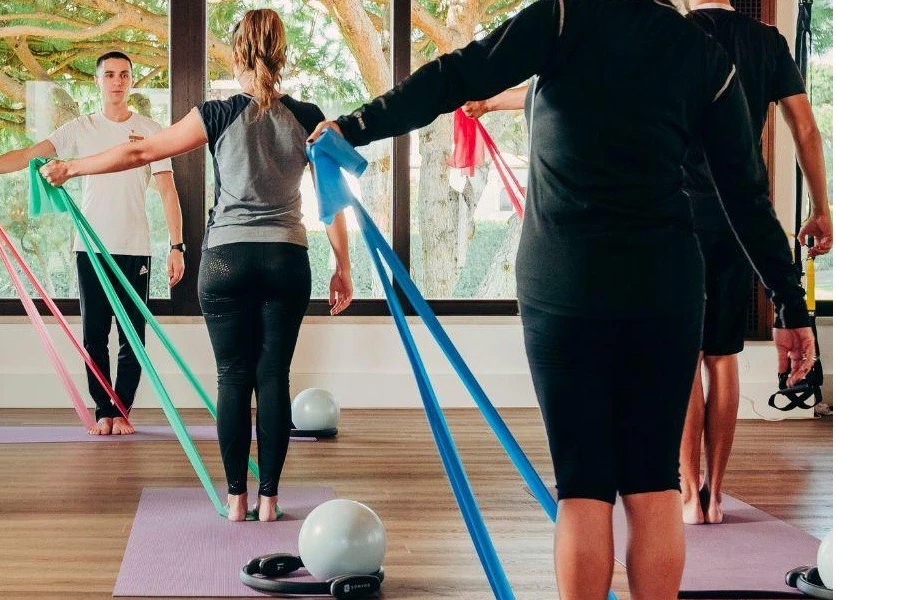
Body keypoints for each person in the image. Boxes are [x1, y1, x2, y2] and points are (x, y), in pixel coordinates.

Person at [307, 0, 816, 597]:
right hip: (663, 289)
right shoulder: (703, 55)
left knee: (583, 486)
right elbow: (747, 197)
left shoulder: (562, 18)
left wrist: (353, 125)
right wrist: (791, 309)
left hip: (566, 287)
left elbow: (453, 77)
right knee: (653, 484)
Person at [465, 0, 835, 526]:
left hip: (674, 220)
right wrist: (821, 208)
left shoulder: (671, 36)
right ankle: (717, 494)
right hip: (739, 222)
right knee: (723, 357)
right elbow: (806, 130)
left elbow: (579, 85)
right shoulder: (767, 42)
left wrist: (494, 101)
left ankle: (686, 492)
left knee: (679, 366)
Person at [41, 8, 354, 522]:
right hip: (285, 257)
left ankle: (236, 500)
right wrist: (342, 266)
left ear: (237, 55)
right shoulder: (309, 115)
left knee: (233, 376)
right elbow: (333, 199)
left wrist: (74, 166)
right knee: (273, 375)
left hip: (226, 259)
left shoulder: (216, 112)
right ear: (282, 54)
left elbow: (137, 154)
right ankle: (270, 500)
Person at [0, 51, 185, 436]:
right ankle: (103, 409)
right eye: (109, 75)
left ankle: (123, 410)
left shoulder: (151, 130)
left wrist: (177, 246)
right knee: (94, 334)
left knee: (131, 336)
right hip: (89, 247)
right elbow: (27, 156)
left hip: (135, 247)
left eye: (124, 74)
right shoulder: (80, 128)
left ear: (132, 80)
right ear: (97, 81)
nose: (117, 82)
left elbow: (168, 192)